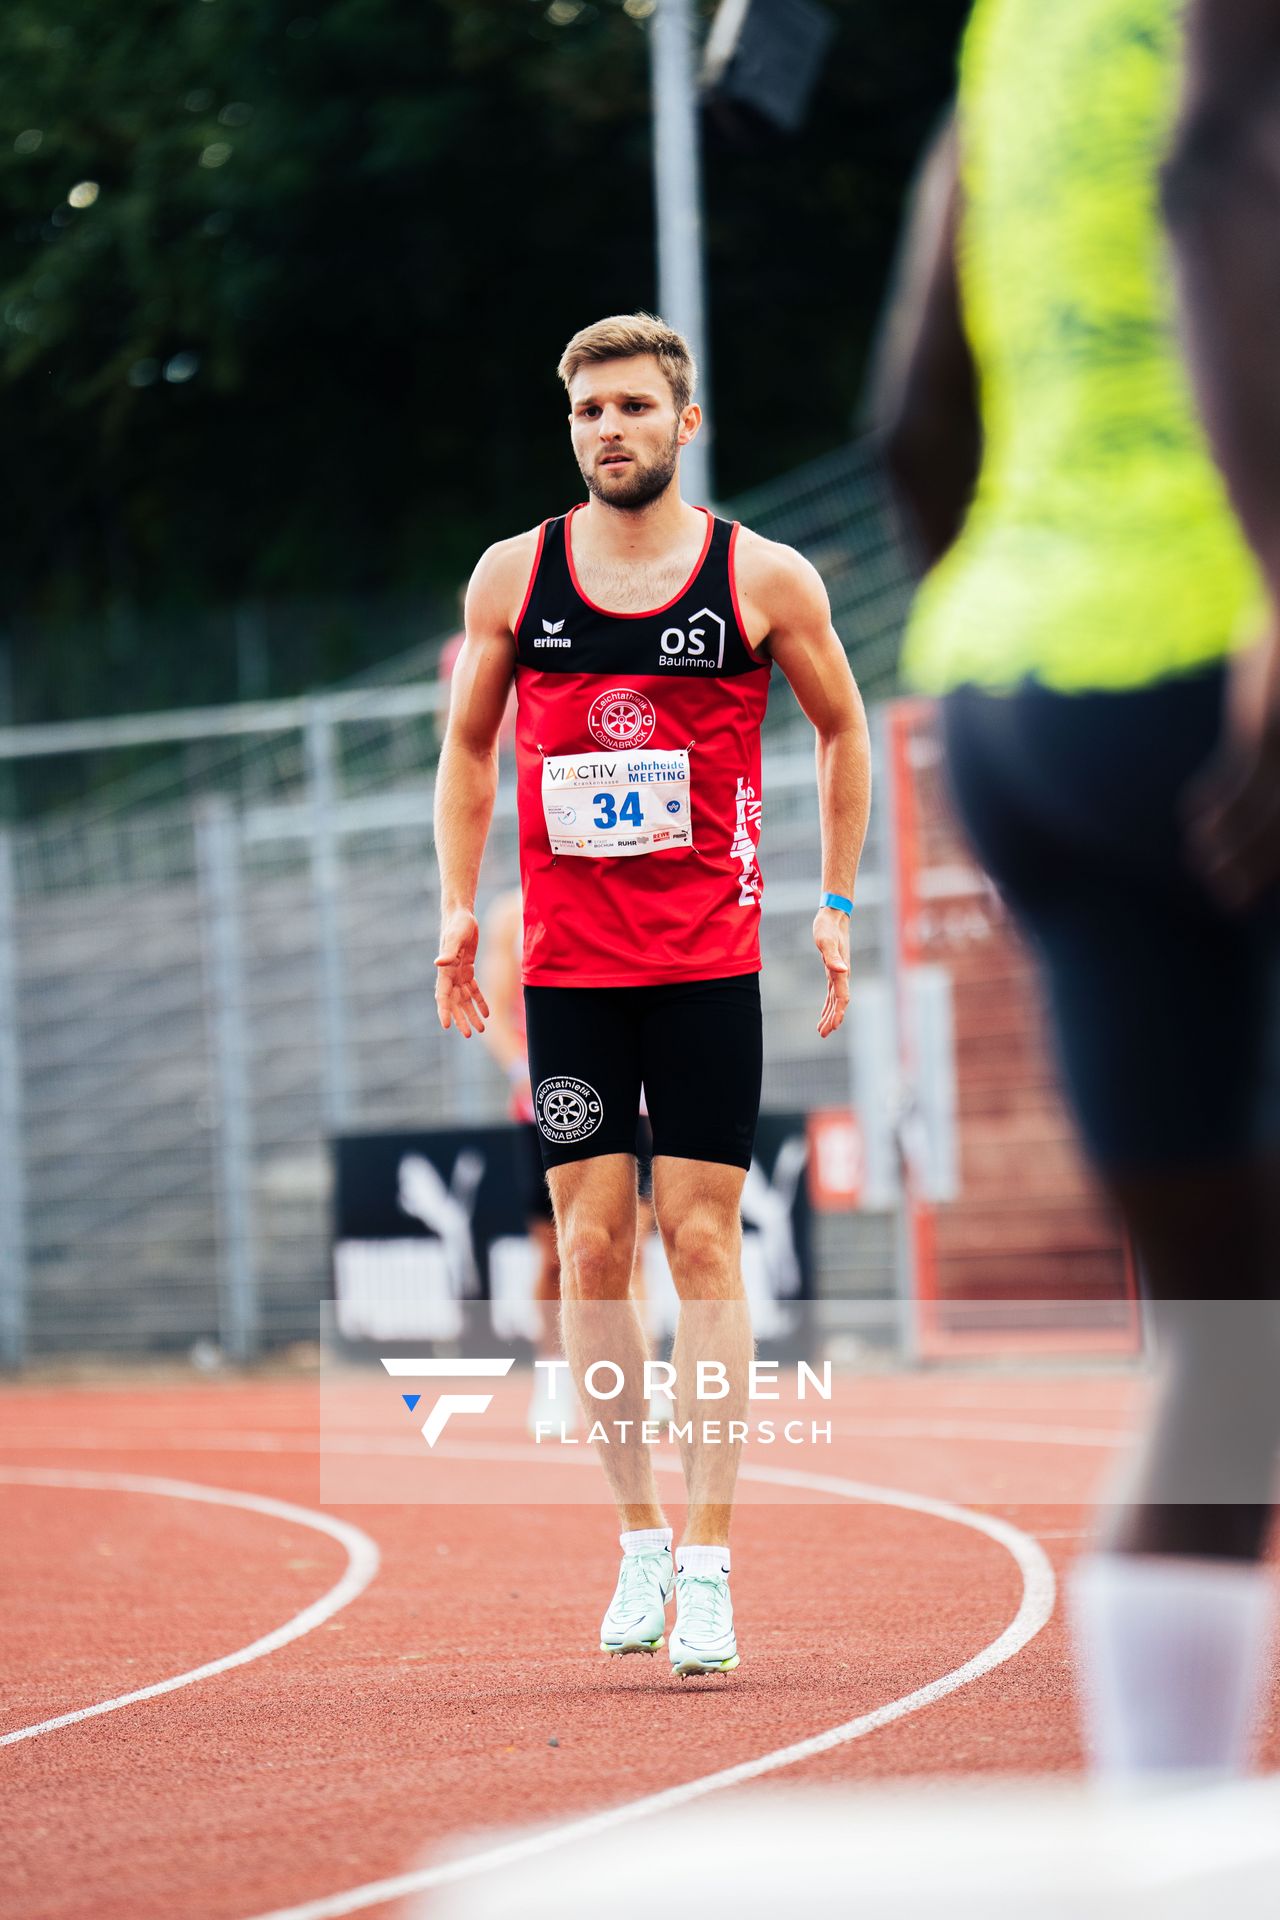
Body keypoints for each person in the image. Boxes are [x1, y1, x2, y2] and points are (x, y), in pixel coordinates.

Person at [877, 0, 1280, 1774]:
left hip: (1020, 693)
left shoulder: (1013, 33)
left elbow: (908, 405)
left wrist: (993, 639)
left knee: (1230, 1354)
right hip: (1216, 651)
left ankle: (1167, 1836)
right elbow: (1216, 176)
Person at [435, 312, 870, 1677]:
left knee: (703, 1244)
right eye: (587, 412)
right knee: (596, 1250)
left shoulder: (762, 579)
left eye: (632, 407)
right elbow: (466, 746)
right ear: (570, 430)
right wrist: (457, 908)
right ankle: (634, 1541)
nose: (609, 428)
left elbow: (844, 727)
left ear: (686, 425)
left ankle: (712, 1560)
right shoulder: (516, 577)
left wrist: (837, 900)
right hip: (568, 974)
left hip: (702, 966)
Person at [477, 885, 658, 1434]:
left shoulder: (626, 896)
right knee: (559, 1257)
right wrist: (526, 1077)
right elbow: (495, 1012)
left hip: (630, 1102)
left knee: (633, 1252)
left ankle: (642, 1383)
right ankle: (554, 1381)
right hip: (547, 1107)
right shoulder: (512, 915)